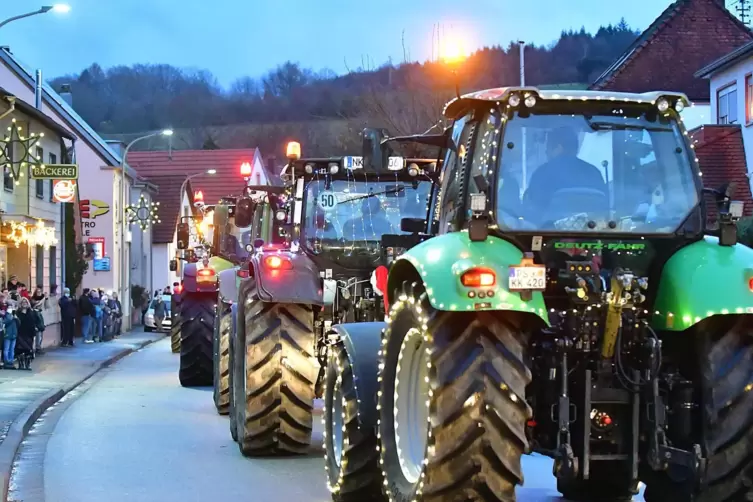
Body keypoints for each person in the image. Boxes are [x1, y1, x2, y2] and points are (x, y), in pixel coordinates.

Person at [522, 127, 607, 222]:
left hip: (549, 233)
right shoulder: (594, 173)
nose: (546, 152)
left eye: (548, 148)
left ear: (559, 148)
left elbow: (533, 211)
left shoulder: (541, 173)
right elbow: (605, 207)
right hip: (591, 231)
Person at [15, 297, 36, 370]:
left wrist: (34, 334)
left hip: (29, 333)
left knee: (29, 349)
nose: (24, 303)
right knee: (20, 348)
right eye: (23, 302)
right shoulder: (18, 313)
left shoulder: (31, 312)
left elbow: (33, 323)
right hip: (20, 333)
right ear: (20, 304)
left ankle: (28, 364)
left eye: (26, 302)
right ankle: (21, 363)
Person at [0, 303, 17, 369]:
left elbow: (18, 323)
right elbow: (5, 322)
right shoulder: (5, 315)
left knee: (12, 349)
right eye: (9, 307)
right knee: (6, 349)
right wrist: (9, 315)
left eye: (11, 307)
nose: (10, 309)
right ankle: (6, 361)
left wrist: (15, 317)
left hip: (13, 334)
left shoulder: (14, 315)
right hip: (7, 334)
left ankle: (11, 361)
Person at [30, 286, 46, 355]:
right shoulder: (33, 299)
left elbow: (48, 306)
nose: (39, 293)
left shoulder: (44, 298)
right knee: (37, 333)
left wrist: (46, 299)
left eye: (40, 292)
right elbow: (36, 304)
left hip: (42, 317)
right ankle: (37, 347)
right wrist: (43, 299)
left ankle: (39, 346)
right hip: (36, 317)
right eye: (38, 292)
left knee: (41, 333)